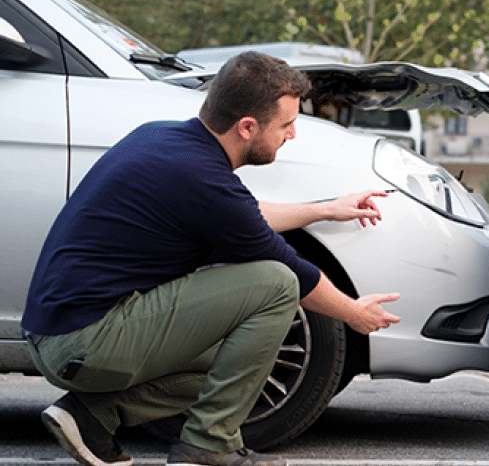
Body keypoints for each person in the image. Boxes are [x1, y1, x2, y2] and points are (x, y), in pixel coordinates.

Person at [22, 51, 402, 466]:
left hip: (63, 335)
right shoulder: (201, 178)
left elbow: (245, 215)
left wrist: (327, 208)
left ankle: (92, 417)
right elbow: (290, 268)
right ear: (247, 127)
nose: (292, 134)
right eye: (286, 124)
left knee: (243, 358)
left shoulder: (164, 139)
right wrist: (353, 313)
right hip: (86, 341)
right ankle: (208, 446)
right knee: (275, 283)